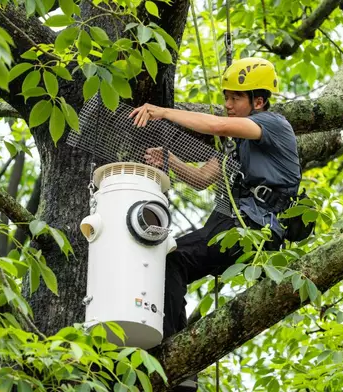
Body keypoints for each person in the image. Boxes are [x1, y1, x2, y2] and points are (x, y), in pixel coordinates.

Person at [129, 57, 301, 391]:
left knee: (172, 259)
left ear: (259, 101)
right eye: (226, 96)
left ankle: (172, 358)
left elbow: (217, 126)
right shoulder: (237, 146)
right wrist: (170, 160)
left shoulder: (273, 125)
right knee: (170, 262)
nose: (227, 105)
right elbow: (201, 178)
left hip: (251, 225)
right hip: (229, 224)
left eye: (235, 98)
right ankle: (176, 358)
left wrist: (162, 111)